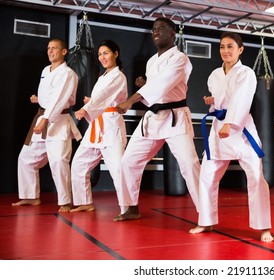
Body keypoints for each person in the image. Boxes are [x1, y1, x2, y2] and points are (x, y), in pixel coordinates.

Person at [113, 17, 200, 221]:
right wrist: (144, 83)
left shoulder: (181, 58)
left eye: (161, 29)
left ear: (173, 34)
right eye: (153, 29)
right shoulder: (152, 61)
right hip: (153, 118)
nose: (156, 32)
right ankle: (130, 207)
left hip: (175, 117)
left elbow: (163, 84)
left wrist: (132, 99)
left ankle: (205, 214)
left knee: (189, 164)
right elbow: (154, 86)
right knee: (128, 161)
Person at [189, 32, 273, 242]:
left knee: (255, 176)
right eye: (222, 47)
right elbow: (219, 101)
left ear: (240, 50)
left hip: (240, 129)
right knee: (207, 176)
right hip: (219, 130)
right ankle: (206, 221)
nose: (225, 51)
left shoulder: (246, 73)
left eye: (230, 47)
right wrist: (212, 102)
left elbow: (241, 100)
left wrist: (229, 123)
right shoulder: (214, 74)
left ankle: (264, 227)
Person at [12, 38, 81, 212]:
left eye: (54, 48)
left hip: (57, 122)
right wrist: (39, 99)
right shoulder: (45, 70)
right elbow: (49, 94)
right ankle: (30, 197)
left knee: (59, 160)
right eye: (49, 48)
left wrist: (44, 120)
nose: (50, 51)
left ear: (64, 52)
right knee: (26, 158)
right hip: (42, 117)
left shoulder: (68, 74)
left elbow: (59, 99)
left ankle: (65, 201)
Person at [70, 40, 128, 215]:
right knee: (79, 165)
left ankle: (128, 208)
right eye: (100, 54)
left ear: (115, 54)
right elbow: (101, 98)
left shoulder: (119, 76)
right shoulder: (102, 77)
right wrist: (91, 102)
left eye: (106, 53)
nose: (102, 57)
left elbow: (104, 96)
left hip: (111, 128)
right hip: (97, 127)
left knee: (118, 170)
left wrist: (85, 108)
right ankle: (84, 201)